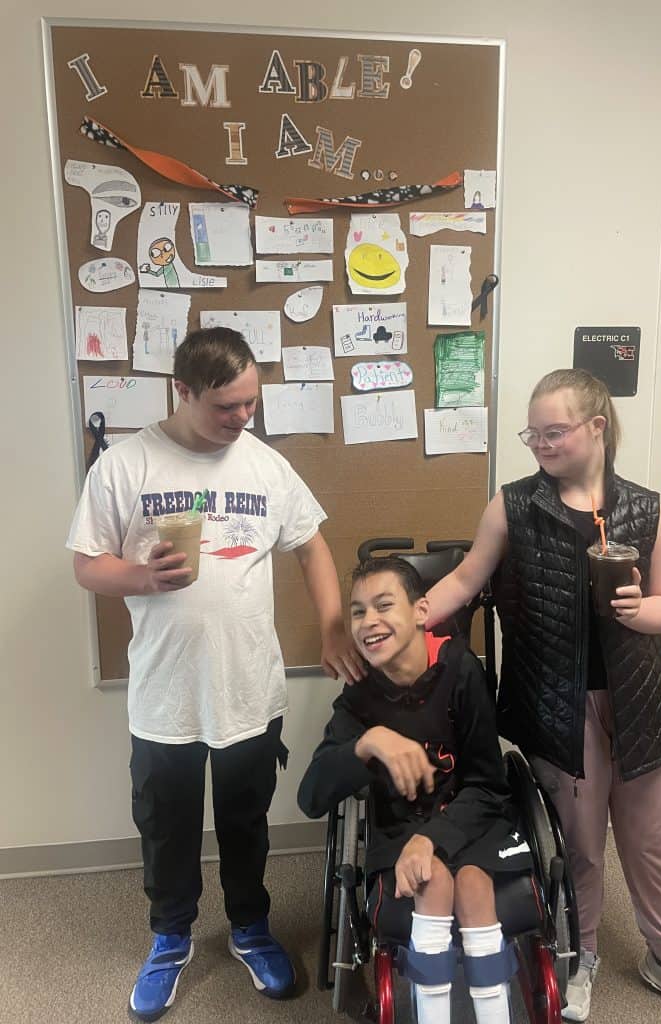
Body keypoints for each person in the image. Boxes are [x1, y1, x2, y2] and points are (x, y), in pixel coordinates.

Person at [67, 327, 363, 1022]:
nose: (242, 419)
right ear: (184, 391)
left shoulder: (263, 465)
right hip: (165, 695)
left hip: (248, 690)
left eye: (251, 404)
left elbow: (313, 545)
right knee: (165, 825)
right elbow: (86, 563)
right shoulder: (126, 465)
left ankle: (250, 928)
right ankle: (170, 938)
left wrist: (329, 624)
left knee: (244, 821)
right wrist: (139, 574)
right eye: (226, 407)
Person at [424, 369, 661, 1024]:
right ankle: (581, 954)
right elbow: (464, 580)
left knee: (655, 847)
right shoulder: (512, 506)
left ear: (596, 428)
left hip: (642, 706)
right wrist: (406, 618)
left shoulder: (649, 512)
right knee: (580, 848)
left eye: (553, 431)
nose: (539, 443)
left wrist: (637, 609)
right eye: (531, 433)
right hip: (557, 709)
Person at [298, 556, 532, 1024]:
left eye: (385, 605)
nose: (369, 621)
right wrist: (368, 742)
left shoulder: (460, 671)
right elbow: (311, 797)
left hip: (474, 819)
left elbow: (488, 785)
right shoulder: (359, 698)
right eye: (358, 611)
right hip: (401, 829)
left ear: (422, 611)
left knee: (471, 881)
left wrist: (433, 839)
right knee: (434, 879)